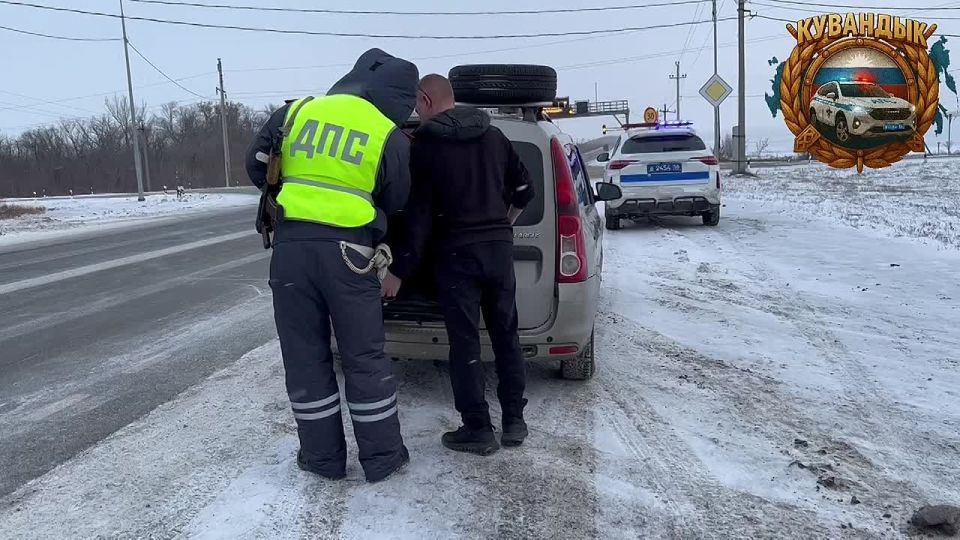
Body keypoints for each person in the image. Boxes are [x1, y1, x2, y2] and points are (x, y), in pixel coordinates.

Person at [245, 48, 418, 482]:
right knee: (364, 359)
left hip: (290, 252)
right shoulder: (387, 133)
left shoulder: (297, 111)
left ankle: (321, 459)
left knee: (304, 358)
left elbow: (256, 165)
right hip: (351, 256)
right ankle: (383, 459)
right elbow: (397, 200)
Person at [382, 74, 534, 456]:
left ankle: (478, 429)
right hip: (498, 250)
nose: (416, 110)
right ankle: (514, 421)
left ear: (426, 100)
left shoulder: (427, 145)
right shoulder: (495, 136)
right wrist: (503, 224)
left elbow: (417, 217)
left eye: (418, 104)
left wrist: (399, 270)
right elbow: (524, 190)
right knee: (505, 334)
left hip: (455, 254)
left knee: (464, 340)